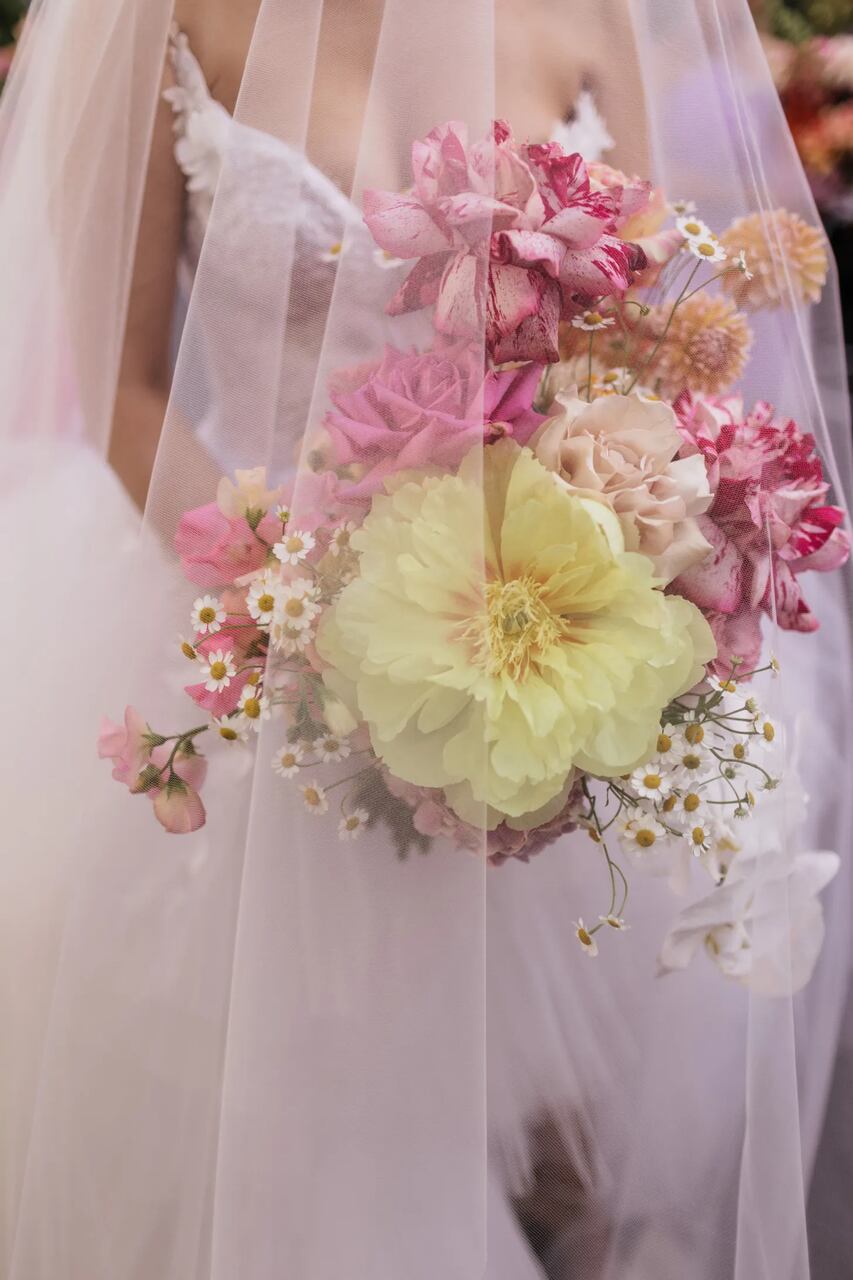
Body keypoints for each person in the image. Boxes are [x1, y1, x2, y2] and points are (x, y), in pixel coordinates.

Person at [0, 2, 851, 1278]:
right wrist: (299, 611)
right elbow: (126, 383)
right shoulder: (154, 15)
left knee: (556, 1127)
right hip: (259, 634)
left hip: (551, 626)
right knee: (305, 1142)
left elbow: (647, 337)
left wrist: (628, 550)